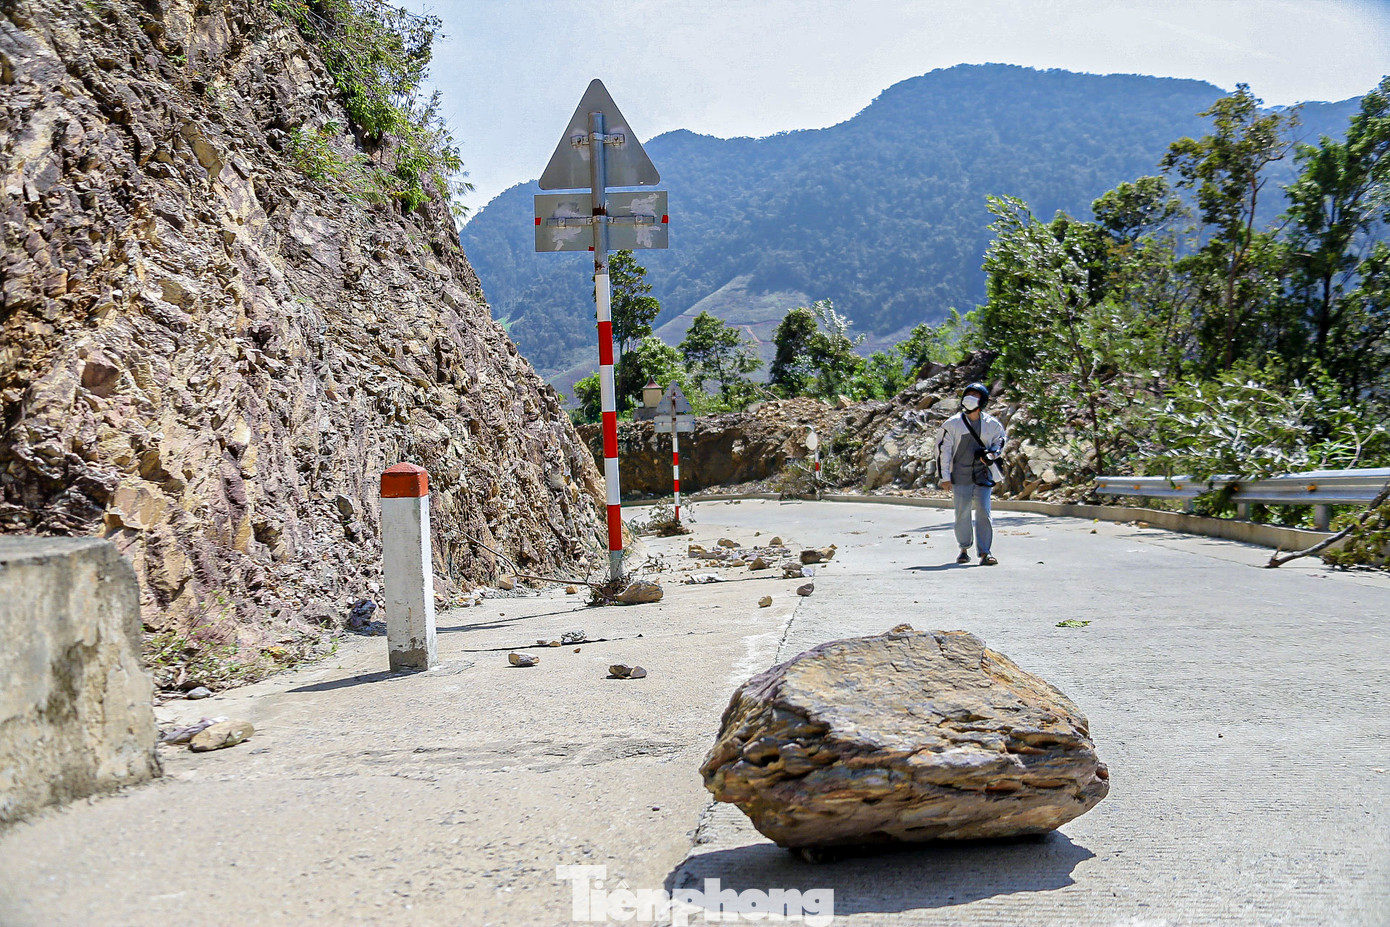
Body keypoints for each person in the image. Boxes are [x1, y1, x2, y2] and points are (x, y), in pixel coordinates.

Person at [936, 382, 1006, 566]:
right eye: (969, 394)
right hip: (960, 475)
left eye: (975, 395)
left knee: (984, 510)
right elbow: (943, 452)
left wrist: (992, 454)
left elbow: (1000, 440)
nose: (970, 398)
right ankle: (964, 548)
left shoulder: (992, 424)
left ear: (982, 401)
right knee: (962, 512)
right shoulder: (951, 425)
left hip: (983, 474)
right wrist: (945, 477)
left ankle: (985, 552)